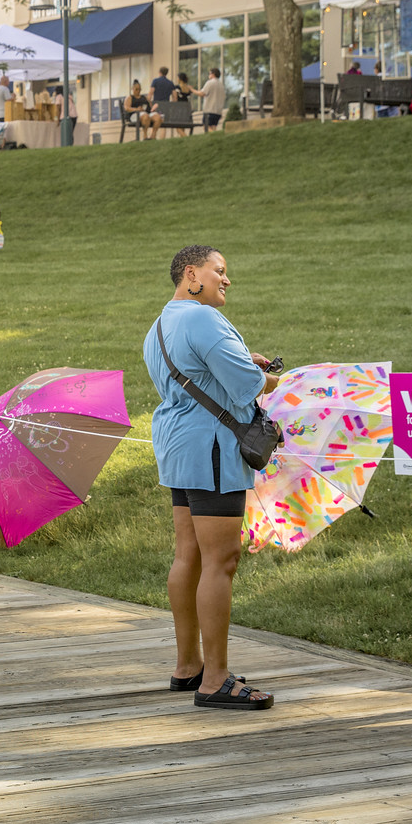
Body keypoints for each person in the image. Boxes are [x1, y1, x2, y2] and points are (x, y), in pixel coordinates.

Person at [145, 245, 280, 709]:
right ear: (191, 274)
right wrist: (266, 376)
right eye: (219, 271)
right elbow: (245, 384)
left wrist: (245, 364)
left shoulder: (160, 323)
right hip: (212, 448)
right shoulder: (203, 319)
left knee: (189, 555)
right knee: (221, 559)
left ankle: (189, 667)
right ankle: (216, 680)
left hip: (179, 447)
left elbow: (201, 376)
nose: (226, 279)